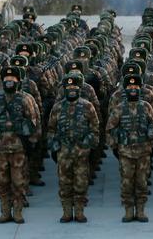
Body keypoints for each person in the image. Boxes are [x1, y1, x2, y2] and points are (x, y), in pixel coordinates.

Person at [0, 66, 40, 224]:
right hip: (0, 149)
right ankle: (5, 211)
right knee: (2, 182)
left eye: (13, 79)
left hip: (18, 149)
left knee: (18, 182)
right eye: (7, 79)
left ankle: (18, 211)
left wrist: (31, 144)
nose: (9, 82)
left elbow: (35, 121)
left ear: (18, 81)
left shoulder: (25, 98)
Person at [106, 75, 153, 223]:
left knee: (142, 182)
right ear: (125, 89)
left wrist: (151, 142)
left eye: (135, 87)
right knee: (127, 183)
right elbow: (110, 129)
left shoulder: (146, 106)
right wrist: (116, 146)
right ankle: (128, 211)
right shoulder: (119, 108)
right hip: (125, 152)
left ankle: (141, 211)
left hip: (143, 152)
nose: (133, 89)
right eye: (129, 87)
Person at [48, 73, 100, 223]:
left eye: (74, 87)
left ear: (79, 88)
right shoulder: (57, 107)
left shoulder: (87, 106)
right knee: (64, 183)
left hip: (81, 152)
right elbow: (51, 129)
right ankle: (66, 212)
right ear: (64, 89)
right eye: (69, 87)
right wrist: (54, 145)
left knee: (81, 182)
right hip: (63, 151)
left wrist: (87, 144)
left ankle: (79, 212)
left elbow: (95, 128)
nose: (71, 89)